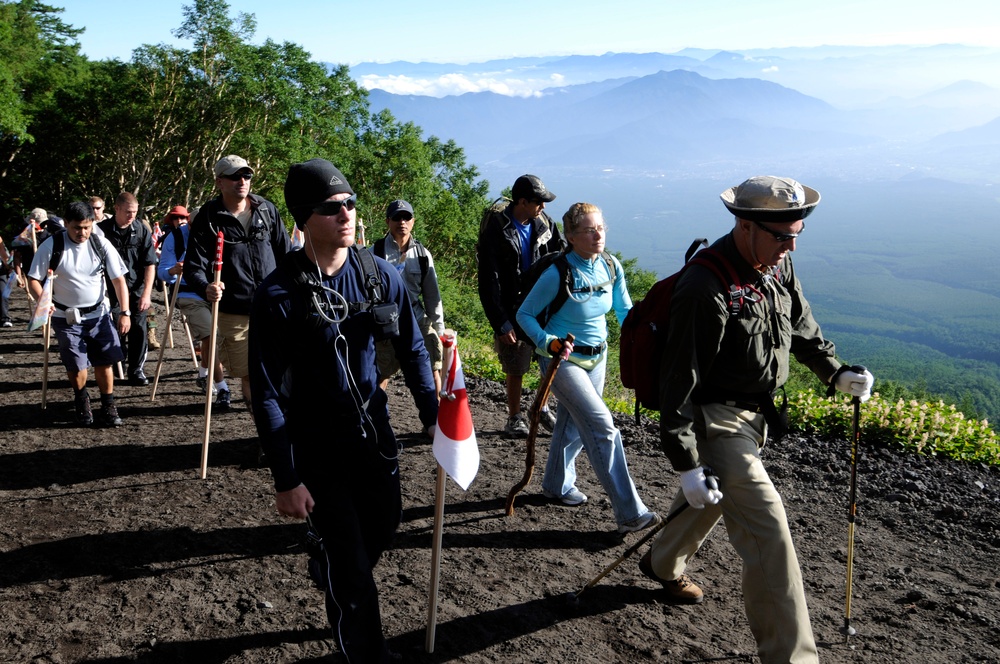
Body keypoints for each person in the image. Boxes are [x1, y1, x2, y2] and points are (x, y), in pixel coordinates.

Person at [642, 176, 875, 664]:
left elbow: (801, 325)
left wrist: (835, 372)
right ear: (745, 225)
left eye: (796, 235)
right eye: (782, 236)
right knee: (768, 529)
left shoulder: (775, 262)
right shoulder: (705, 286)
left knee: (712, 497)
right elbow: (678, 380)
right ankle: (792, 657)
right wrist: (686, 463)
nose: (791, 246)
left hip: (755, 416)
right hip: (716, 420)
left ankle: (662, 563)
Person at [249, 158, 438, 664]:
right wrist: (286, 479)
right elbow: (265, 392)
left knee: (386, 523)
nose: (346, 214)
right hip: (315, 445)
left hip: (374, 434)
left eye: (350, 204)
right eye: (331, 208)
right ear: (303, 218)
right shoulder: (278, 294)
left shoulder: (378, 275)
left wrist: (432, 415)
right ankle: (367, 655)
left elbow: (413, 348)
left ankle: (326, 560)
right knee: (352, 566)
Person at [517, 202, 661, 532]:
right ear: (571, 236)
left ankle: (556, 485)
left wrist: (647, 341)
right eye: (589, 230)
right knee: (602, 427)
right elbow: (524, 314)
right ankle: (631, 513)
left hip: (598, 357)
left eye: (600, 228)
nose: (598, 235)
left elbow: (624, 311)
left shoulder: (611, 266)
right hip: (562, 360)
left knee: (571, 425)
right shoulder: (558, 273)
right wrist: (547, 342)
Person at [183, 155, 290, 413]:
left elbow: (286, 255)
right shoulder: (208, 217)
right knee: (250, 375)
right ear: (219, 182)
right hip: (234, 311)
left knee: (283, 371)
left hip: (274, 307)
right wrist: (206, 287)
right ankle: (265, 430)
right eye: (234, 176)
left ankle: (280, 428)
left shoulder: (267, 210)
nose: (242, 181)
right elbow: (193, 266)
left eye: (246, 175)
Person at [27, 201, 131, 427]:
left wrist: (125, 312)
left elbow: (118, 280)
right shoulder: (52, 245)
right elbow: (33, 279)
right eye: (77, 228)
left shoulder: (100, 243)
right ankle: (82, 399)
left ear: (92, 223)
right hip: (65, 316)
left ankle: (108, 404)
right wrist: (43, 301)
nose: (82, 233)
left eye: (87, 227)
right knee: (76, 364)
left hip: (99, 314)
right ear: (66, 223)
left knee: (105, 361)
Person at [477, 174, 564, 437]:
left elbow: (561, 257)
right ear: (522, 202)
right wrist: (500, 322)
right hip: (511, 306)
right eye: (538, 201)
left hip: (541, 306)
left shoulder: (545, 224)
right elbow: (488, 279)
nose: (543, 207)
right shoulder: (497, 229)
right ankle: (514, 417)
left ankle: (541, 407)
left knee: (550, 358)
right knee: (516, 364)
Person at [156, 205, 230, 406]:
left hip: (216, 294)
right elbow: (161, 272)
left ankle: (203, 374)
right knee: (210, 336)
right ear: (189, 223)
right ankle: (223, 387)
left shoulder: (219, 234)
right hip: (188, 294)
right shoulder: (175, 237)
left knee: (213, 338)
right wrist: (173, 270)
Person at [373, 199, 445, 397]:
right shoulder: (375, 253)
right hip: (387, 321)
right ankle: (374, 413)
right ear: (388, 221)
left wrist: (439, 330)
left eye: (406, 217)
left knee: (433, 370)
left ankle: (436, 414)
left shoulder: (423, 255)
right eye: (397, 217)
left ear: (413, 221)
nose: (402, 222)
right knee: (381, 373)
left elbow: (432, 296)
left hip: (417, 318)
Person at [98, 192, 158, 386]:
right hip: (111, 289)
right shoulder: (101, 231)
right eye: (128, 212)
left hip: (136, 287)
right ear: (117, 209)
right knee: (117, 326)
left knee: (139, 328)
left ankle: (136, 369)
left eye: (135, 212)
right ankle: (118, 362)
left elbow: (150, 264)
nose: (132, 216)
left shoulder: (141, 230)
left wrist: (147, 294)